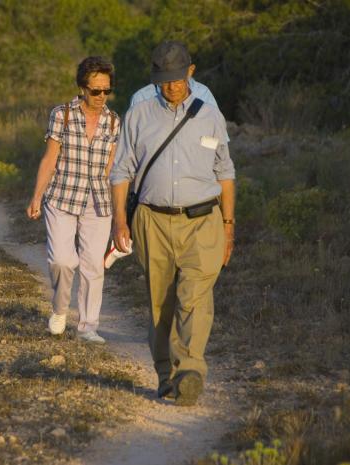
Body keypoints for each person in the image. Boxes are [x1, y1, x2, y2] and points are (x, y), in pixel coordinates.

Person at [110, 41, 235, 405]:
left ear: (190, 72)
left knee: (194, 296)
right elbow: (121, 170)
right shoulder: (139, 113)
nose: (171, 86)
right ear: (155, 79)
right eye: (164, 80)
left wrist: (228, 223)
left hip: (203, 220)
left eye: (177, 79)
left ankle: (190, 371)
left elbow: (225, 171)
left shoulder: (210, 113)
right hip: (152, 220)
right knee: (160, 303)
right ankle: (166, 375)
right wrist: (121, 219)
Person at [27, 56, 120, 344]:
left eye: (106, 90)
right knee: (63, 261)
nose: (101, 97)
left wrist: (120, 211)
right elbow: (50, 159)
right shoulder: (62, 114)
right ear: (82, 88)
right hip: (62, 196)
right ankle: (59, 308)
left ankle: (88, 326)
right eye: (96, 91)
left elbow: (112, 167)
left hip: (98, 200)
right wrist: (36, 196)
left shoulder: (114, 121)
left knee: (93, 265)